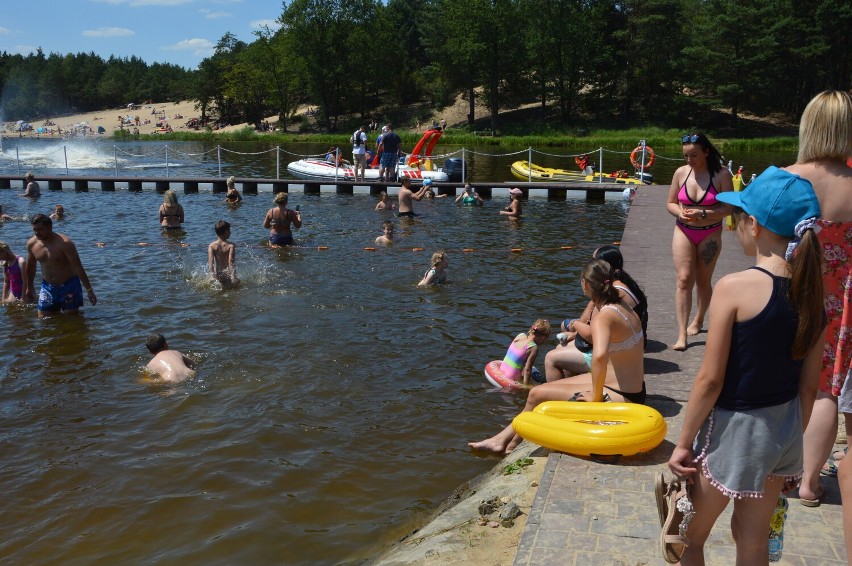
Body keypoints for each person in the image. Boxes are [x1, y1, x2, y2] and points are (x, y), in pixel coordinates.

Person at [665, 166, 824, 564]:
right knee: (752, 540)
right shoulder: (814, 297)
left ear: (753, 225)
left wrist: (683, 444)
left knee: (688, 537)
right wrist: (795, 453)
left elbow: (710, 379)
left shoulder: (734, 287)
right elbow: (808, 388)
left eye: (737, 216)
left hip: (735, 432)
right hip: (784, 431)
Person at [469, 259, 646, 455]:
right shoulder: (623, 306)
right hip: (629, 385)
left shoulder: (603, 315)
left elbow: (600, 356)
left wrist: (595, 397)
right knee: (542, 390)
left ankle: (507, 444)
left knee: (536, 394)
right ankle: (504, 442)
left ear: (585, 285)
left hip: (622, 394)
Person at [786, 90, 852, 507]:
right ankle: (808, 482)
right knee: (828, 387)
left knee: (785, 381)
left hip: (792, 296)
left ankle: (776, 469)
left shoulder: (783, 177)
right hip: (843, 305)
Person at [666, 132, 733, 351]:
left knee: (703, 281)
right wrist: (679, 213)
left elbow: (729, 208)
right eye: (686, 156)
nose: (689, 160)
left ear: (706, 152)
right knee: (684, 279)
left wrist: (703, 214)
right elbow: (671, 203)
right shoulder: (681, 173)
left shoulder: (722, 175)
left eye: (694, 155)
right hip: (684, 230)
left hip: (710, 232)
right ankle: (681, 334)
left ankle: (699, 319)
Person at [544, 245, 648, 382]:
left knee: (552, 356)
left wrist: (575, 325)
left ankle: (561, 393)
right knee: (564, 342)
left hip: (617, 356)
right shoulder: (619, 284)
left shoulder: (613, 295)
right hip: (625, 347)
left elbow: (592, 335)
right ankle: (569, 385)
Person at [23, 213, 97, 317]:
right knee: (43, 318)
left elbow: (78, 267)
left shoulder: (65, 243)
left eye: (40, 229)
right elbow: (30, 267)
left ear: (50, 227)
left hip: (69, 286)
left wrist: (89, 290)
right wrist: (29, 288)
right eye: (34, 230)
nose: (37, 233)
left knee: (71, 319)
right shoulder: (32, 244)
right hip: (48, 287)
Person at [498, 319, 551, 386]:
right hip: (511, 377)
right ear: (543, 337)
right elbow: (527, 369)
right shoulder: (533, 347)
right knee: (541, 384)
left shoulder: (520, 335)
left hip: (501, 369)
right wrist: (526, 385)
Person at [208, 220, 239, 288]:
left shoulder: (211, 246)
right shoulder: (231, 245)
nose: (230, 232)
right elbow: (231, 261)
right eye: (229, 230)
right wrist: (233, 276)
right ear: (226, 231)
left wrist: (212, 275)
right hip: (228, 274)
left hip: (218, 274)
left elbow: (211, 262)